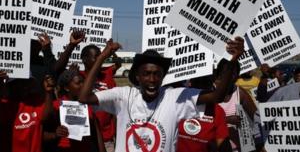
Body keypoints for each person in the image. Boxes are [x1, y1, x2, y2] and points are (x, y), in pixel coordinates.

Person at [79, 37, 244, 151]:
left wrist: (232, 59)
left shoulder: (174, 98)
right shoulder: (123, 96)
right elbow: (84, 97)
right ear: (137, 76)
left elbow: (216, 97)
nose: (152, 79)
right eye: (147, 74)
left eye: (157, 74)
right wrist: (102, 57)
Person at [0, 72, 55, 152]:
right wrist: (0, 89)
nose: (25, 86)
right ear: (11, 85)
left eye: (27, 82)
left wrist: (49, 92)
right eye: (20, 82)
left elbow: (46, 117)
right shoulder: (3, 104)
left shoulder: (35, 100)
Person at [43, 69, 105, 152]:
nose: (83, 85)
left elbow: (97, 135)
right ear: (66, 88)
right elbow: (42, 133)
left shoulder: (87, 106)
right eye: (78, 83)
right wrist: (55, 134)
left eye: (83, 82)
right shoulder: (56, 106)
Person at [176, 75, 231, 152]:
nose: (201, 87)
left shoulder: (217, 110)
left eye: (206, 82)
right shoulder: (178, 103)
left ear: (211, 86)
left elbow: (224, 147)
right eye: (198, 82)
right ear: (190, 84)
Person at [80, 44, 118, 151]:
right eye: (96, 56)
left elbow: (115, 109)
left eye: (100, 56)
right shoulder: (77, 78)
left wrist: (116, 133)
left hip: (107, 139)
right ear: (84, 59)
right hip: (84, 140)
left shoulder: (107, 78)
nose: (99, 59)